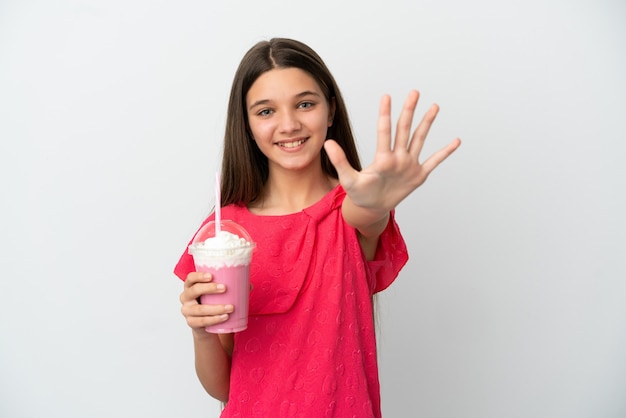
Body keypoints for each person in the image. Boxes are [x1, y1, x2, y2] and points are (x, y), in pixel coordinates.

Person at [174, 37, 461, 418]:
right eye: (265, 111)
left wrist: (377, 203)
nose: (289, 124)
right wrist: (200, 332)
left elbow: (366, 216)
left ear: (330, 111)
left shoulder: (350, 209)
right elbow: (223, 388)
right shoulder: (223, 234)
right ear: (246, 124)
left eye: (305, 104)